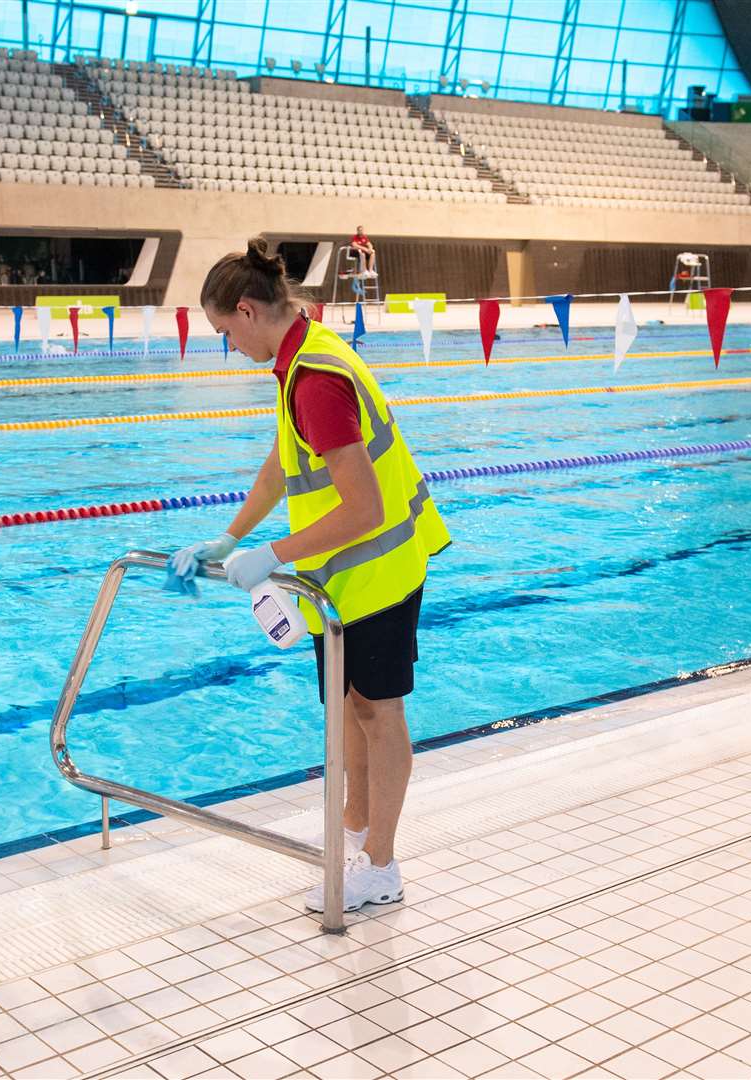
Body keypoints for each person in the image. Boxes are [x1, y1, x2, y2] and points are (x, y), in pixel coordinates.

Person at [169, 239, 450, 913]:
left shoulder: (317, 378)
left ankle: (380, 867)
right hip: (343, 579)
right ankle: (355, 833)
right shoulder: (299, 359)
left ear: (247, 310)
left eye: (224, 332)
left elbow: (364, 507)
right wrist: (229, 537)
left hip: (377, 571)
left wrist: (273, 556)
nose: (228, 346)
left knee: (378, 714)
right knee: (348, 707)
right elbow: (280, 463)